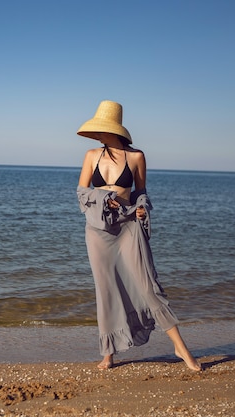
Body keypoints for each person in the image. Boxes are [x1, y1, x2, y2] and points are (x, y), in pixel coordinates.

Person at [76, 100, 201, 371]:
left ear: (114, 130)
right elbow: (82, 193)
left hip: (129, 226)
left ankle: (180, 347)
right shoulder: (90, 155)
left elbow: (140, 193)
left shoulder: (136, 157)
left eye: (101, 130)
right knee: (107, 290)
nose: (98, 135)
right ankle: (109, 353)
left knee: (149, 286)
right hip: (99, 230)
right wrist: (104, 198)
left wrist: (142, 208)